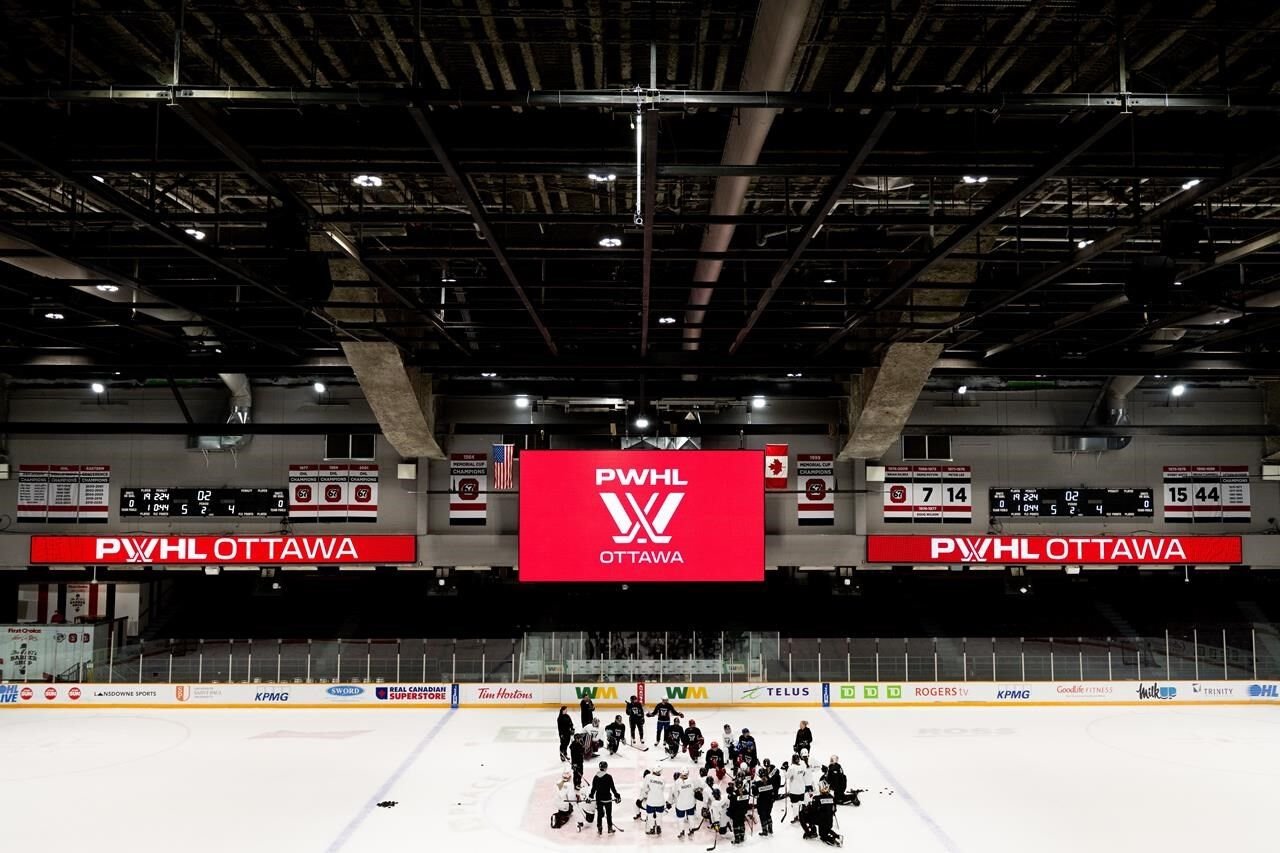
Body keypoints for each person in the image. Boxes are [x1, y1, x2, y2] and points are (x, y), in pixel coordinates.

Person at [589, 760, 621, 835]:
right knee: (609, 814)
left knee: (599, 814)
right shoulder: (609, 777)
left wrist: (590, 797)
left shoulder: (596, 777)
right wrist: (617, 796)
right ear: (606, 768)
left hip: (599, 799)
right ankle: (610, 828)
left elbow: (593, 789)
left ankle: (599, 829)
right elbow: (613, 788)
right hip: (607, 799)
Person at [753, 758, 781, 837]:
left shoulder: (759, 784)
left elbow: (754, 793)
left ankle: (765, 830)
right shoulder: (770, 783)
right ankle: (770, 829)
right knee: (768, 814)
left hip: (763, 802)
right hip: (769, 800)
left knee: (763, 815)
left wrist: (754, 787)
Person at [670, 768, 699, 838]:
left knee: (681, 819)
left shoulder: (677, 782)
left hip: (680, 805)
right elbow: (696, 790)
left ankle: (681, 832)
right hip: (690, 804)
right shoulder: (692, 780)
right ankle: (692, 830)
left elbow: (675, 793)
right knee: (691, 817)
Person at [727, 775, 753, 845]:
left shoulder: (734, 793)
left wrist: (729, 812)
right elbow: (747, 801)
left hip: (736, 812)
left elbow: (732, 803)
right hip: (743, 811)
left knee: (736, 825)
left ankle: (737, 838)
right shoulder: (746, 792)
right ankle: (742, 836)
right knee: (741, 823)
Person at [642, 766, 667, 835]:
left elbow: (645, 787)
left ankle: (652, 828)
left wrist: (647, 792)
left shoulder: (648, 777)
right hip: (660, 800)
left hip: (651, 800)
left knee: (650, 815)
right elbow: (662, 789)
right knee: (659, 815)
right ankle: (658, 827)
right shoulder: (663, 779)